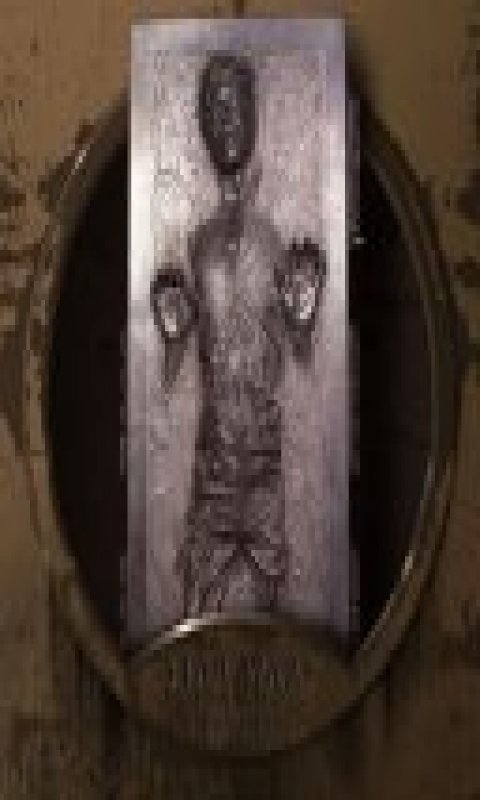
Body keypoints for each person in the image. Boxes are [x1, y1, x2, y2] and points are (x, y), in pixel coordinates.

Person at [150, 52, 326, 618]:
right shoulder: (194, 239)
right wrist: (173, 334)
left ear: (255, 114)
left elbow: (309, 366)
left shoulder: (279, 233)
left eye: (235, 105)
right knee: (199, 600)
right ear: (198, 123)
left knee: (273, 609)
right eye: (212, 107)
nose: (224, 120)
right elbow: (167, 381)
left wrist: (302, 319)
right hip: (213, 468)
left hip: (270, 463)